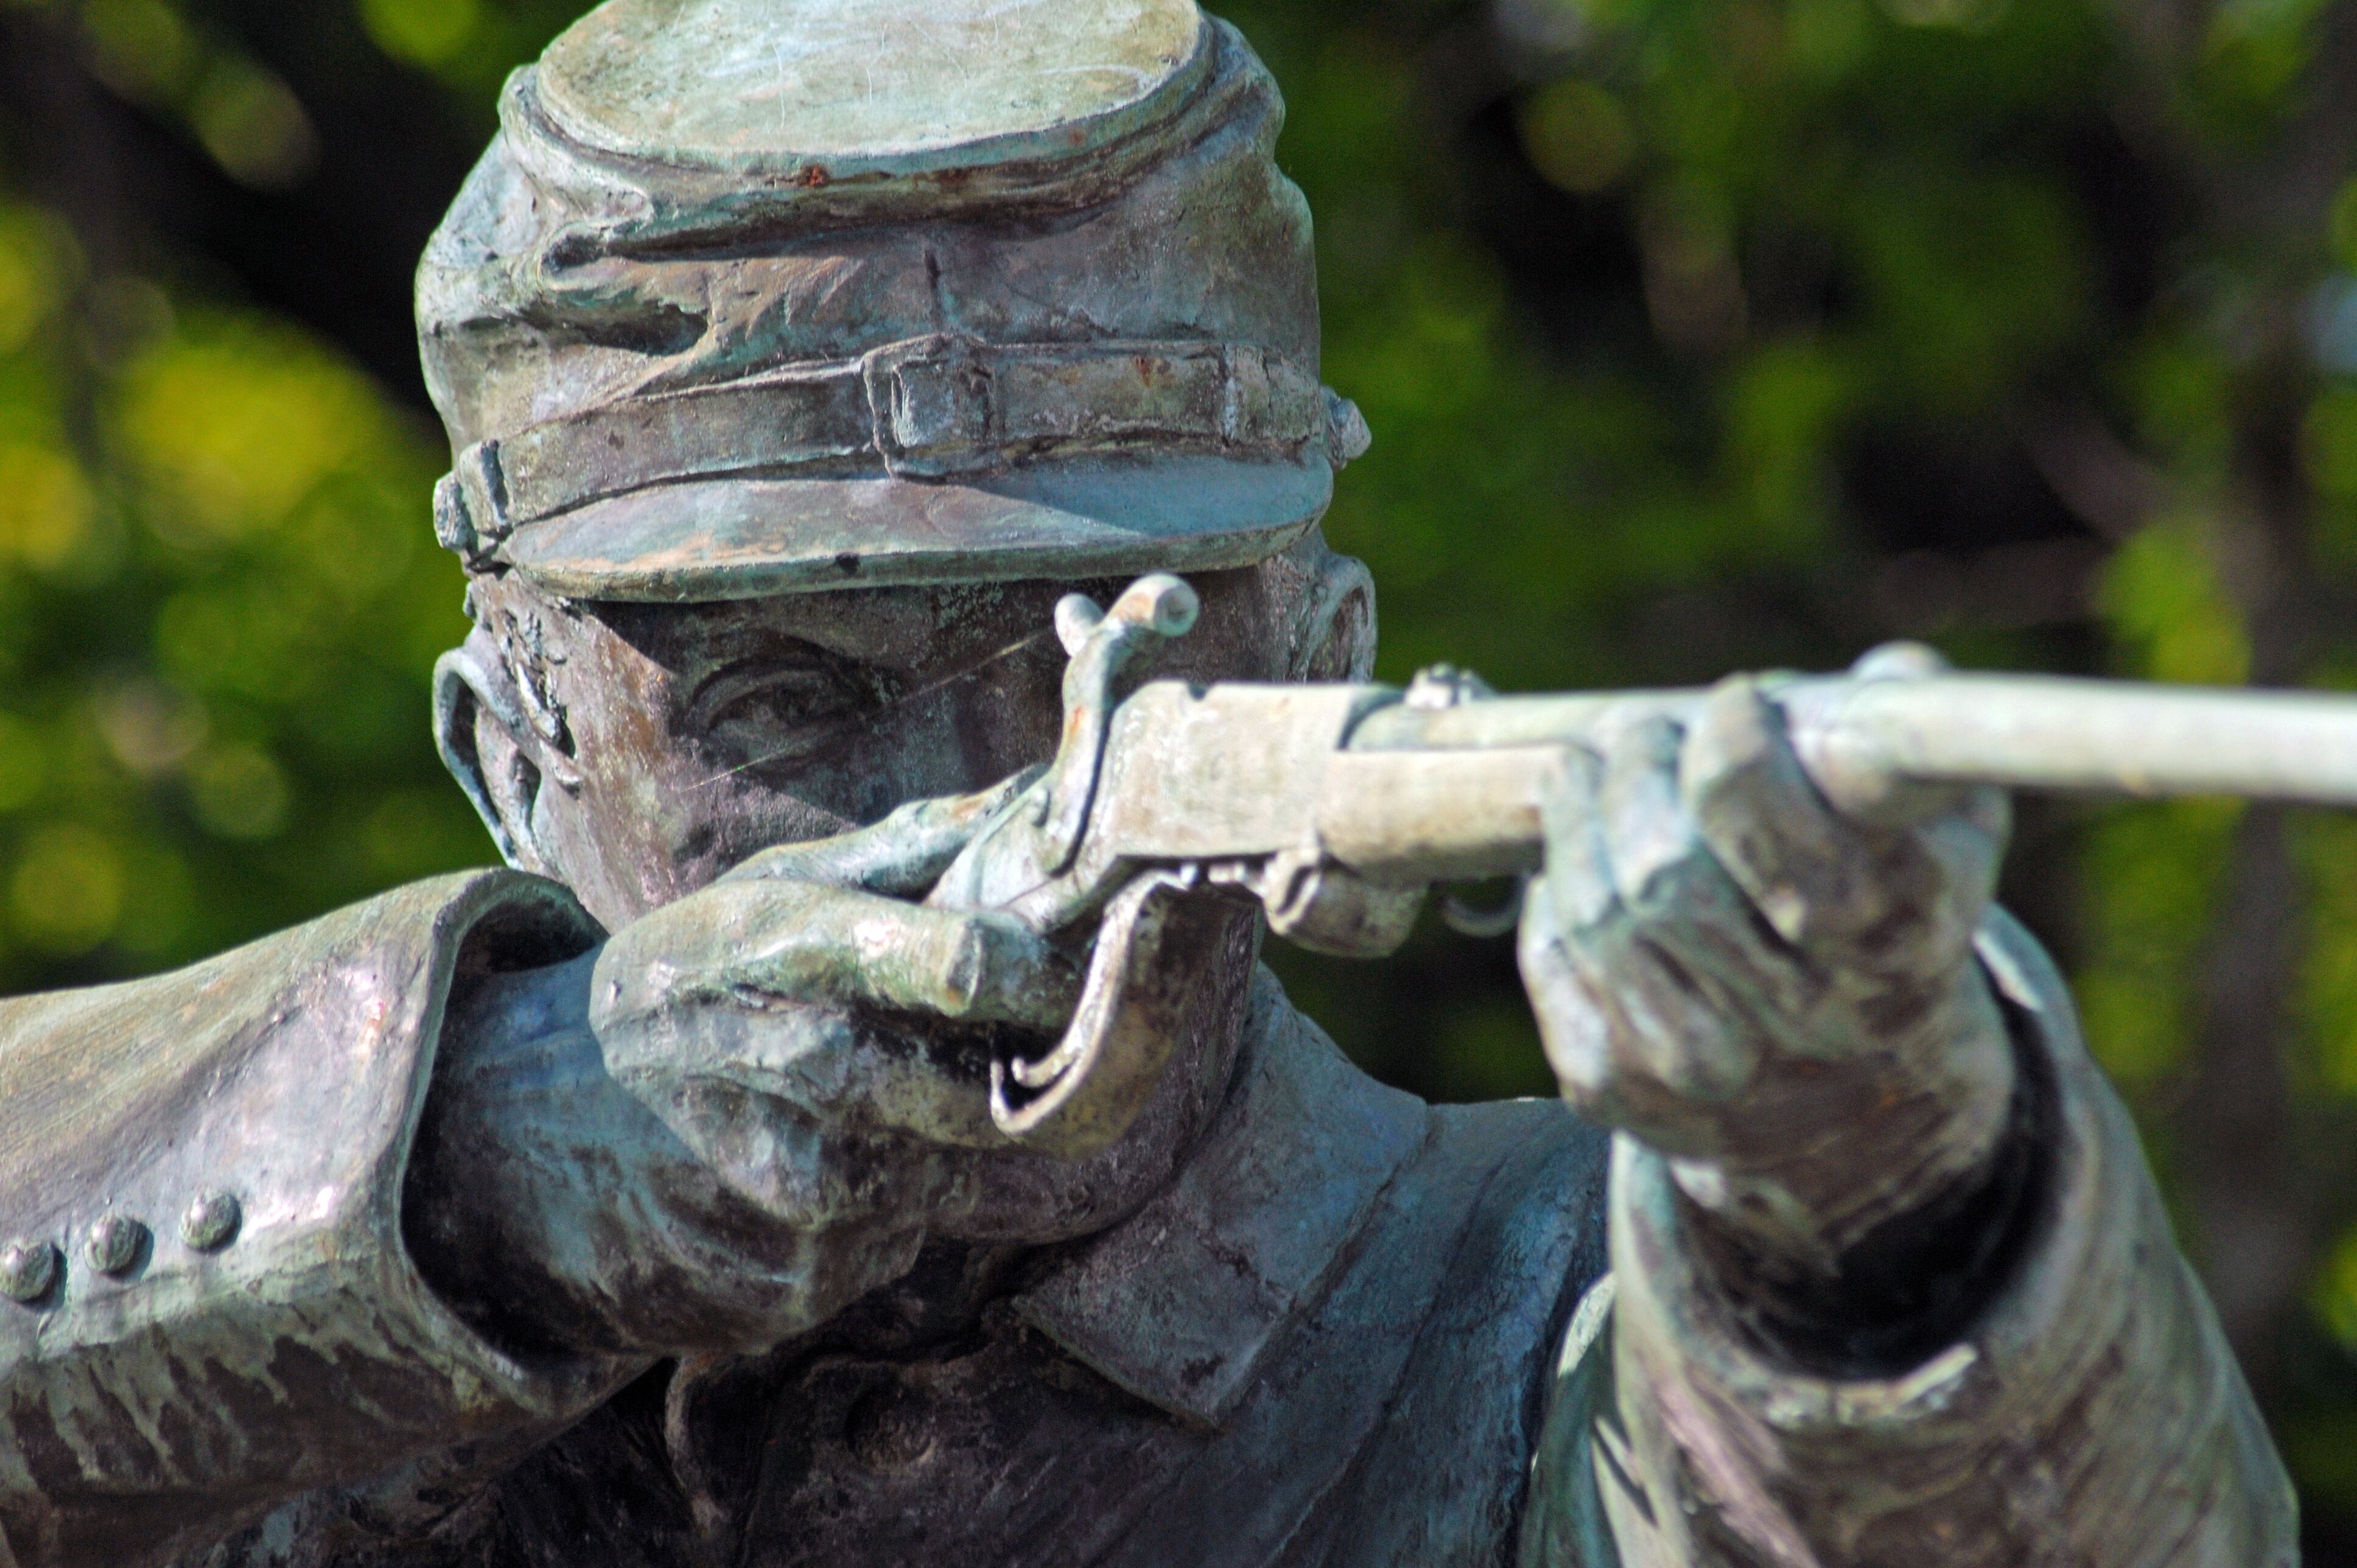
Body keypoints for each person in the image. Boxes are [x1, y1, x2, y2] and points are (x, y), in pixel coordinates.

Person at [0, 1, 2295, 1563]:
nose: (976, 810)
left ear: (1326, 666)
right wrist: (468, 1155)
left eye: (1110, 665)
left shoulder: (1556, 1328)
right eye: (780, 708)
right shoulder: (291, 1386)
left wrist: (1888, 1201)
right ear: (508, 760)